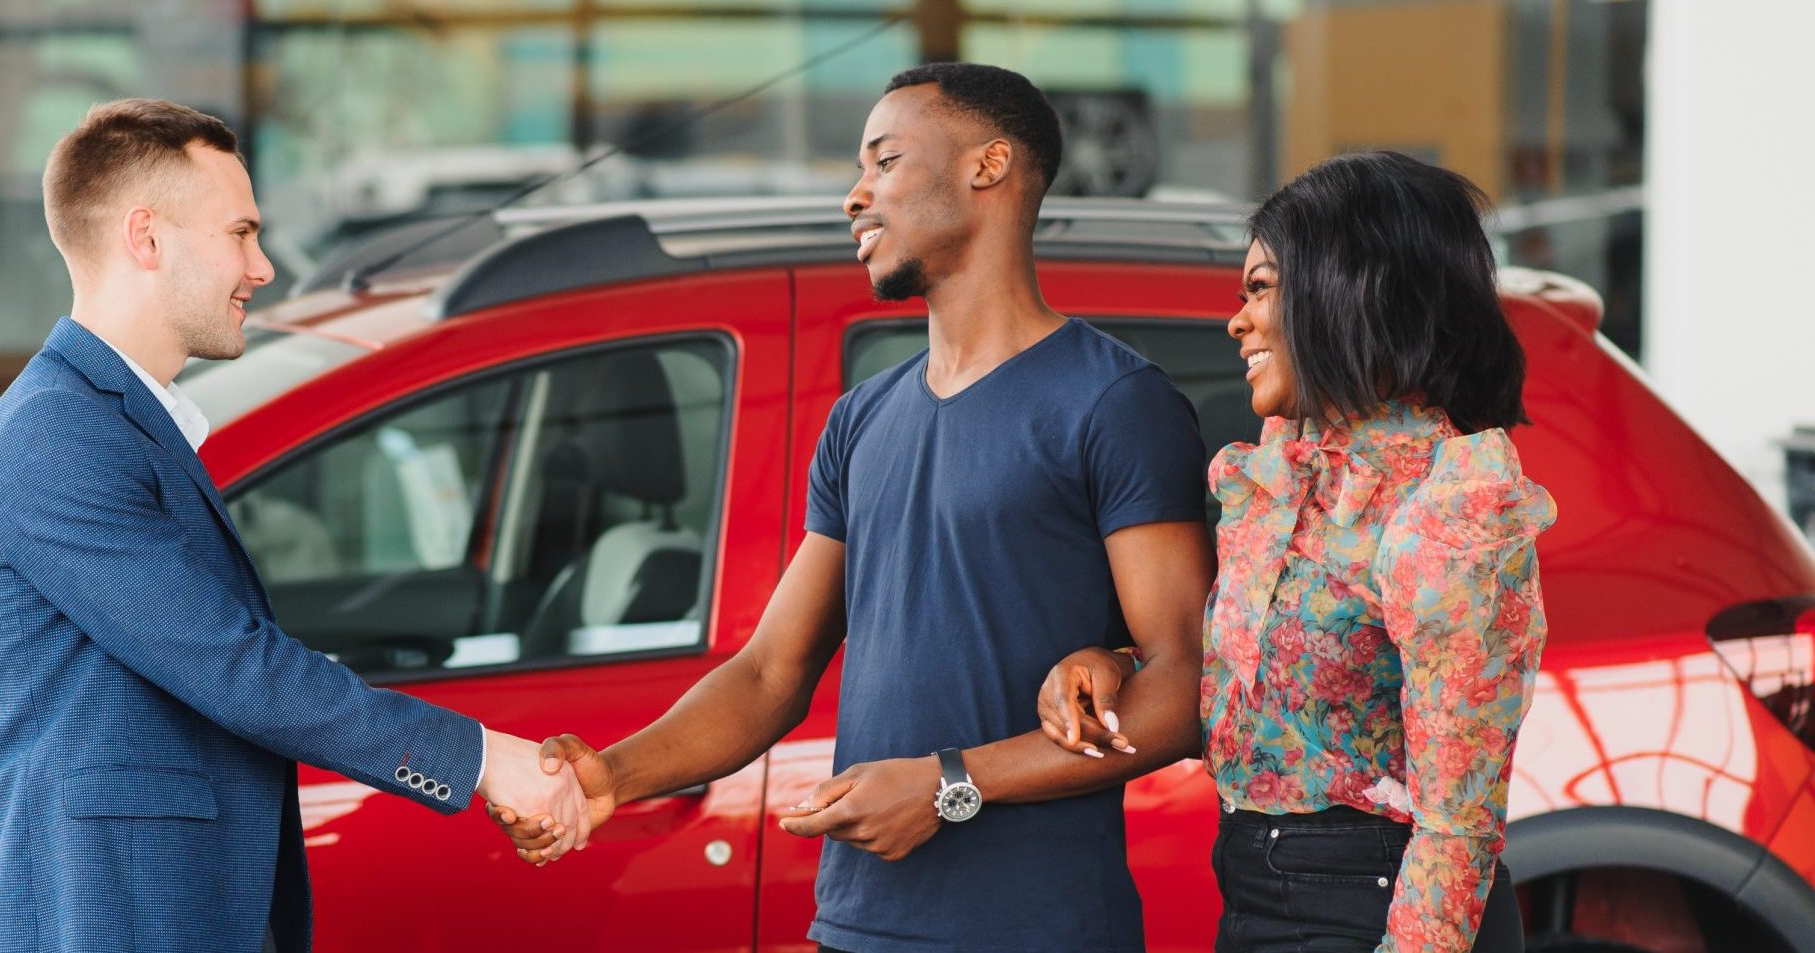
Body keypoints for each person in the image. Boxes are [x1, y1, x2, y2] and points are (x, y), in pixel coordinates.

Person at [496, 64, 1216, 953]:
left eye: (885, 161)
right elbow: (769, 674)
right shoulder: (862, 417)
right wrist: (614, 772)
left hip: (1040, 929)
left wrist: (948, 783)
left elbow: (1183, 688)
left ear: (988, 167)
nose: (855, 195)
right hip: (857, 925)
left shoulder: (1114, 403)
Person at [0, 99, 584, 953]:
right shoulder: (56, 435)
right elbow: (230, 662)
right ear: (147, 238)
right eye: (241, 233)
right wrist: (479, 757)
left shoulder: (112, 421)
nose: (265, 266)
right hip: (98, 917)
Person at [1034, 150, 1553, 953]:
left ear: (1352, 288)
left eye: (1261, 288)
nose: (1236, 320)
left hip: (1372, 907)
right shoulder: (1283, 472)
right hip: (1254, 893)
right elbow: (1258, 679)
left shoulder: (1448, 507)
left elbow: (1459, 827)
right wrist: (1112, 660)